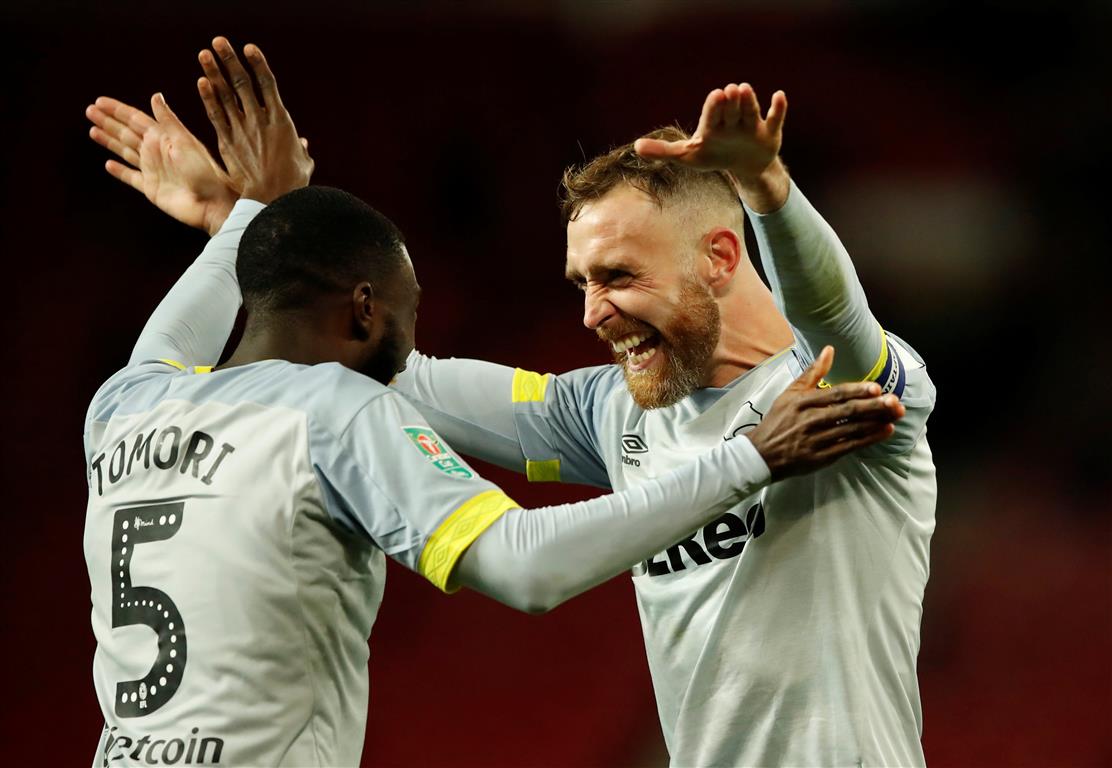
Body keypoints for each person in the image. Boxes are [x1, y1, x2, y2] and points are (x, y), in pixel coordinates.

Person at [83, 39, 903, 766]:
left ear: (721, 255)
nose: (590, 312)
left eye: (616, 275)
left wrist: (766, 186)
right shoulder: (612, 415)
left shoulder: (837, 393)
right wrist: (260, 230)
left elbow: (836, 319)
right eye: (580, 284)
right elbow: (373, 364)